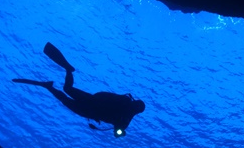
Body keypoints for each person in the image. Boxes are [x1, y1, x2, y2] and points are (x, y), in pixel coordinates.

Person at [13, 42, 146, 137]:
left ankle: (52, 84)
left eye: (137, 107)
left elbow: (116, 132)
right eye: (137, 105)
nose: (135, 107)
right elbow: (116, 124)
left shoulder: (126, 118)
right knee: (67, 91)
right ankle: (64, 72)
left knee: (66, 96)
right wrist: (120, 131)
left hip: (90, 109)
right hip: (91, 103)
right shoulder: (126, 105)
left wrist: (120, 132)